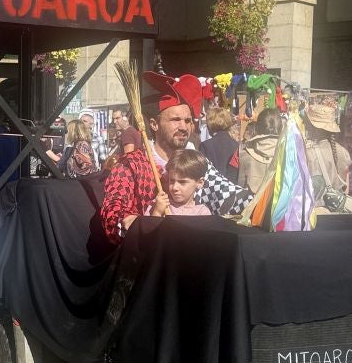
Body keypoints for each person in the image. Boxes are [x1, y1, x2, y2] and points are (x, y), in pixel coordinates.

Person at [99, 72, 248, 243]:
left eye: (187, 120)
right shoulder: (130, 164)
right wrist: (135, 222)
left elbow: (226, 193)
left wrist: (258, 204)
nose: (184, 127)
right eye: (175, 120)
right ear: (154, 124)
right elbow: (112, 215)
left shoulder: (193, 161)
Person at [302, 103, 352, 212]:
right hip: (338, 213)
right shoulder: (344, 152)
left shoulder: (308, 153)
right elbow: (346, 189)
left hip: (315, 214)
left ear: (313, 127)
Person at [148, 149, 211, 217]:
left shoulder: (202, 213)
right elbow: (146, 227)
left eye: (182, 182)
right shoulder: (160, 204)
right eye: (171, 181)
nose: (174, 187)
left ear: (200, 182)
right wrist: (157, 212)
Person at [238, 109, 282, 195]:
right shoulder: (291, 155)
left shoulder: (241, 152)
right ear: (281, 127)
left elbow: (233, 183)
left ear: (257, 127)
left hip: (248, 205)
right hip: (279, 206)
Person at [199, 107, 239, 183]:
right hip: (231, 189)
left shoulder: (205, 146)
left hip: (212, 189)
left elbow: (201, 172)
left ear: (210, 124)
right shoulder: (236, 145)